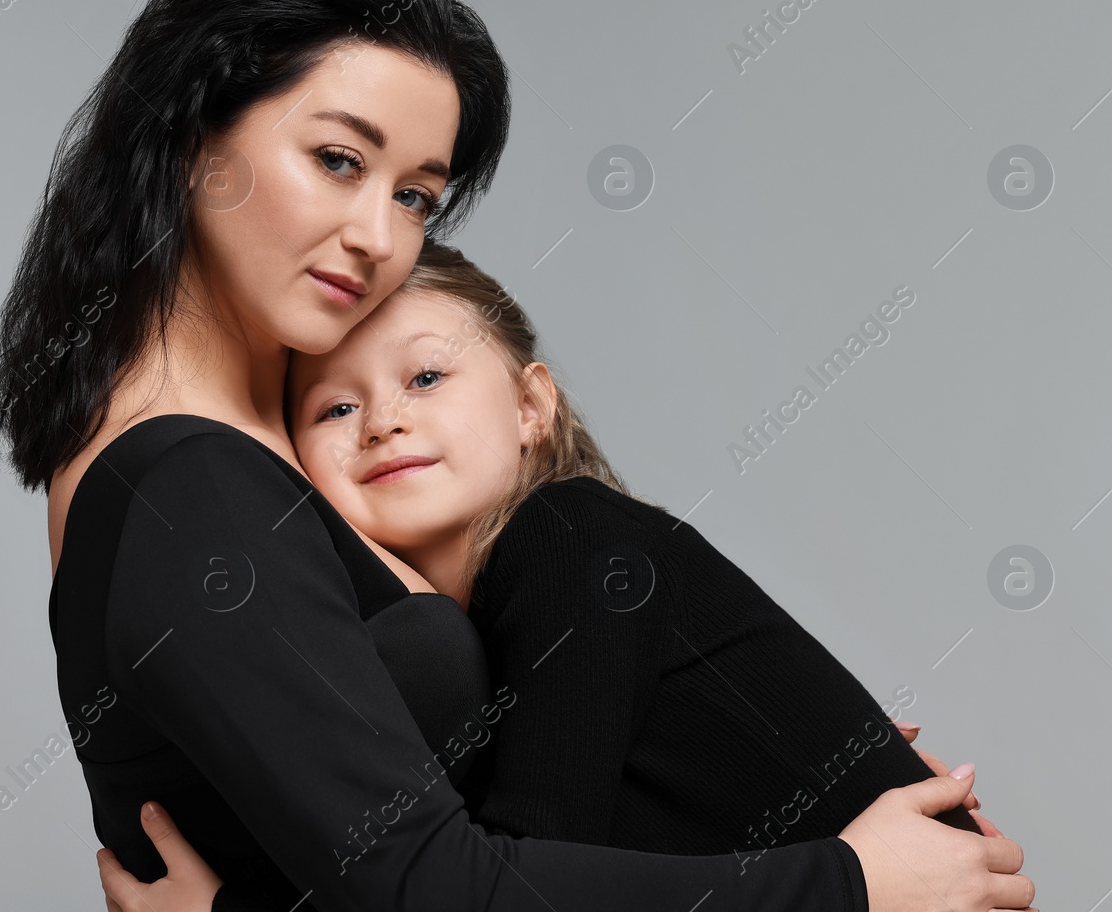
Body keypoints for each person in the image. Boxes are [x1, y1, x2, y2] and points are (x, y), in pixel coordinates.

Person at [0, 0, 1035, 911]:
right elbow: (437, 885)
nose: (375, 236)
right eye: (339, 159)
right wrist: (844, 880)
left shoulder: (274, 457)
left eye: (415, 196)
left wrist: (794, 767)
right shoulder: (188, 488)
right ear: (189, 133)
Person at [96, 241, 1032, 912]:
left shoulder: (570, 538)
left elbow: (513, 888)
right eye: (334, 406)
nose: (381, 420)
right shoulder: (489, 644)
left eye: (426, 377)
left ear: (530, 404)